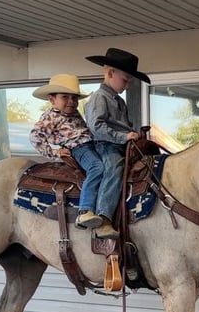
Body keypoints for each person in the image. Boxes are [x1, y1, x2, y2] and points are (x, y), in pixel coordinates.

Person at [29, 73, 117, 238]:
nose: (71, 101)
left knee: (114, 165)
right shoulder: (50, 116)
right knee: (97, 167)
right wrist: (54, 152)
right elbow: (35, 137)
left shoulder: (75, 112)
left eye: (74, 98)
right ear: (52, 99)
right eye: (65, 97)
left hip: (93, 144)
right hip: (79, 148)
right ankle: (85, 210)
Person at [83, 48, 151, 240]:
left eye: (130, 81)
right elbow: (96, 127)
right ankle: (103, 218)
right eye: (125, 79)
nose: (128, 85)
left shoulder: (119, 101)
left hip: (123, 144)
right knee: (114, 169)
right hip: (106, 145)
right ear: (110, 73)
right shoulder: (99, 97)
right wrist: (123, 137)